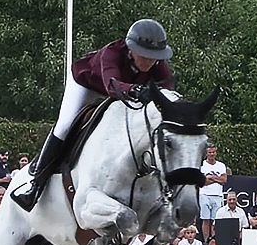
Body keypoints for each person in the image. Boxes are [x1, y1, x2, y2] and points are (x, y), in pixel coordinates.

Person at [11, 19, 175, 210]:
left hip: (124, 91)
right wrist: (138, 91)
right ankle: (35, 184)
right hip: (88, 85)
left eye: (154, 56)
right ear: (131, 49)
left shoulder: (157, 63)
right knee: (65, 125)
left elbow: (167, 89)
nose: (150, 61)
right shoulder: (111, 53)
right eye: (145, 55)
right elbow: (112, 85)